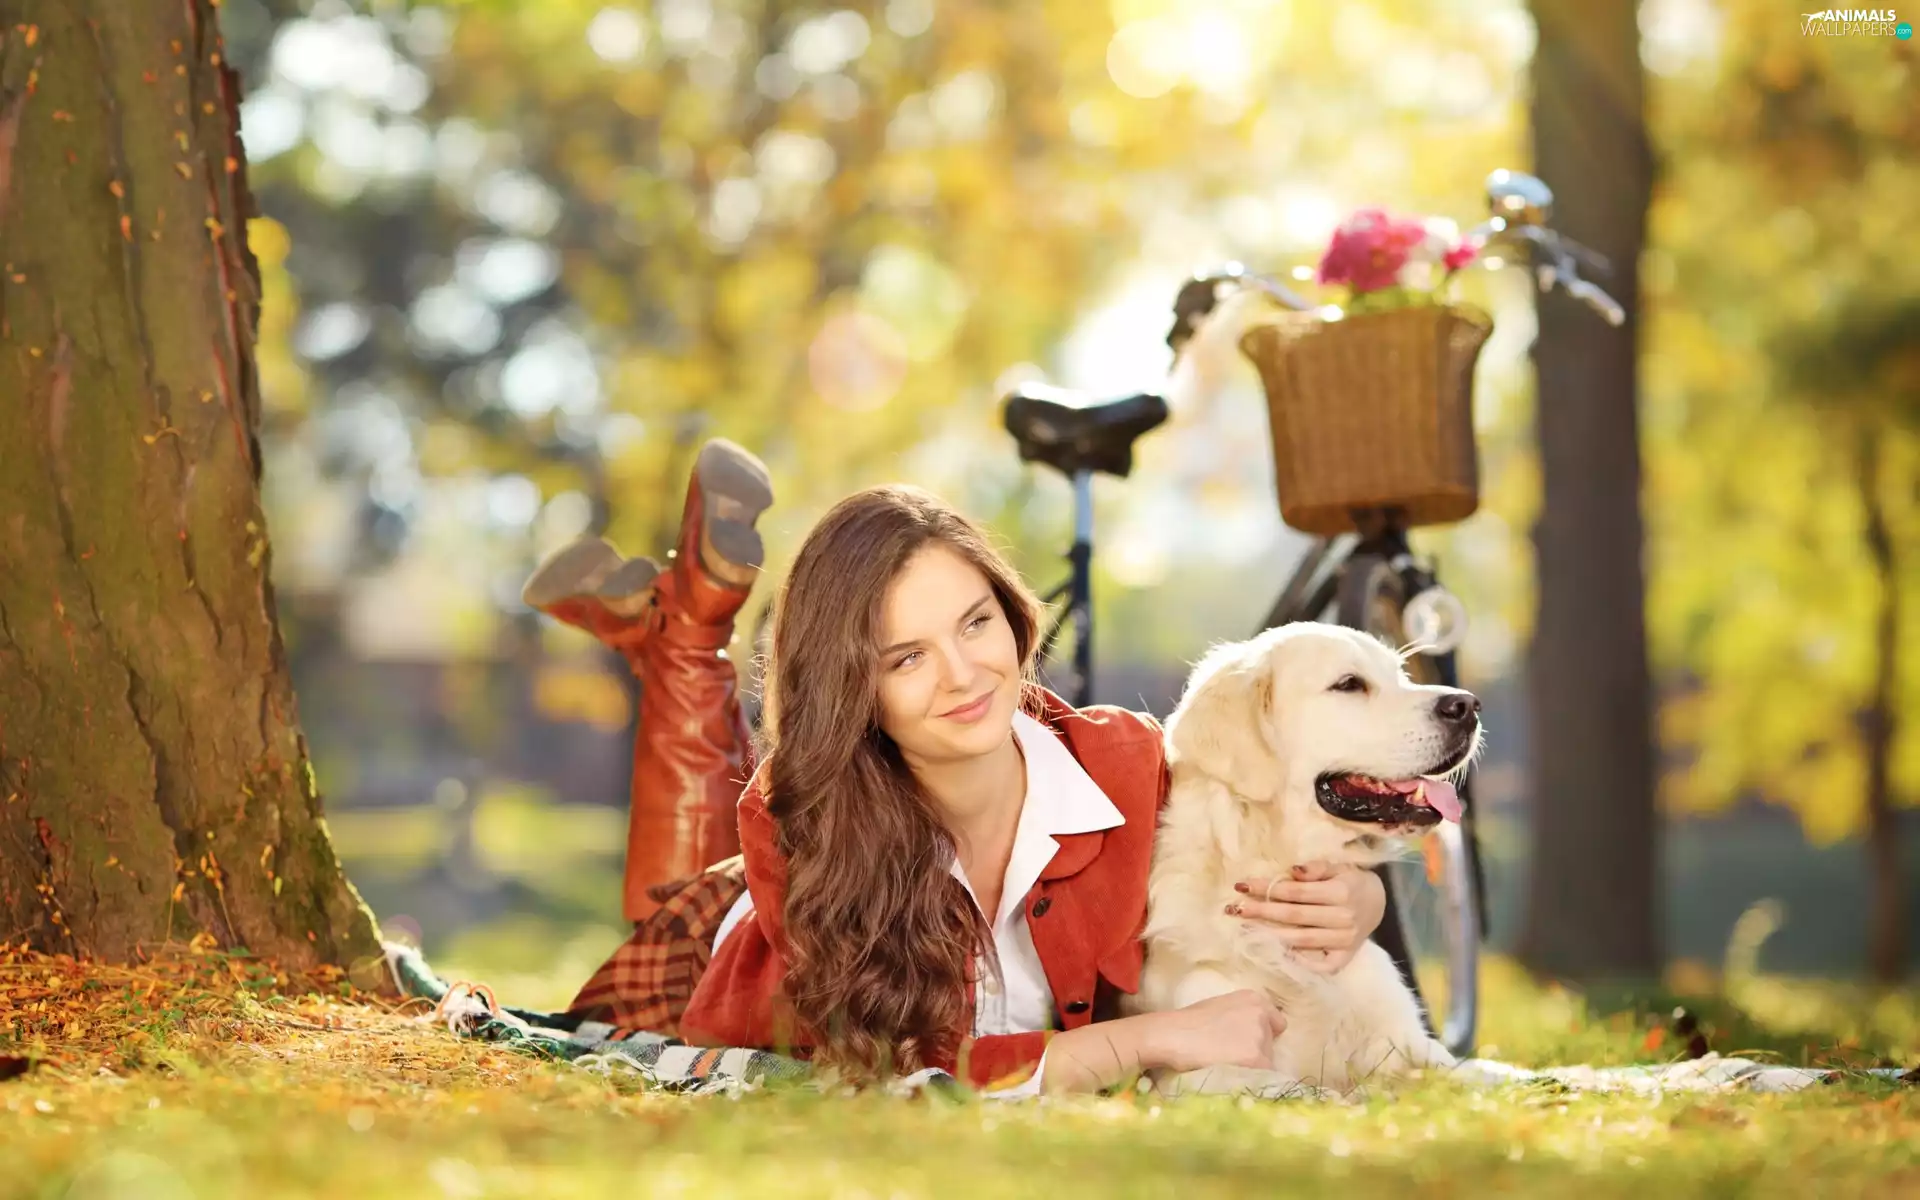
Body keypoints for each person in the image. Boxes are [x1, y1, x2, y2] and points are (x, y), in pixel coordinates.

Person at [532, 449, 1387, 1094]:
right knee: (671, 887)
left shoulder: (1129, 767)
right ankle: (687, 640)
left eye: (976, 623)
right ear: (854, 690)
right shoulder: (800, 830)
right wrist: (1152, 1041)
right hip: (732, 950)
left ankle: (681, 627)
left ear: (1013, 614)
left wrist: (1360, 898)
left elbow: (1253, 834)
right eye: (906, 657)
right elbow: (893, 1083)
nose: (966, 675)